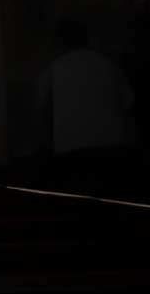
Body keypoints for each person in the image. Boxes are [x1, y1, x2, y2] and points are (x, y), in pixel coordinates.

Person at [33, 12, 140, 178]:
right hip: (113, 148)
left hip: (71, 150)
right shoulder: (108, 65)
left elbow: (42, 114)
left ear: (59, 42)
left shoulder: (53, 70)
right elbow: (129, 107)